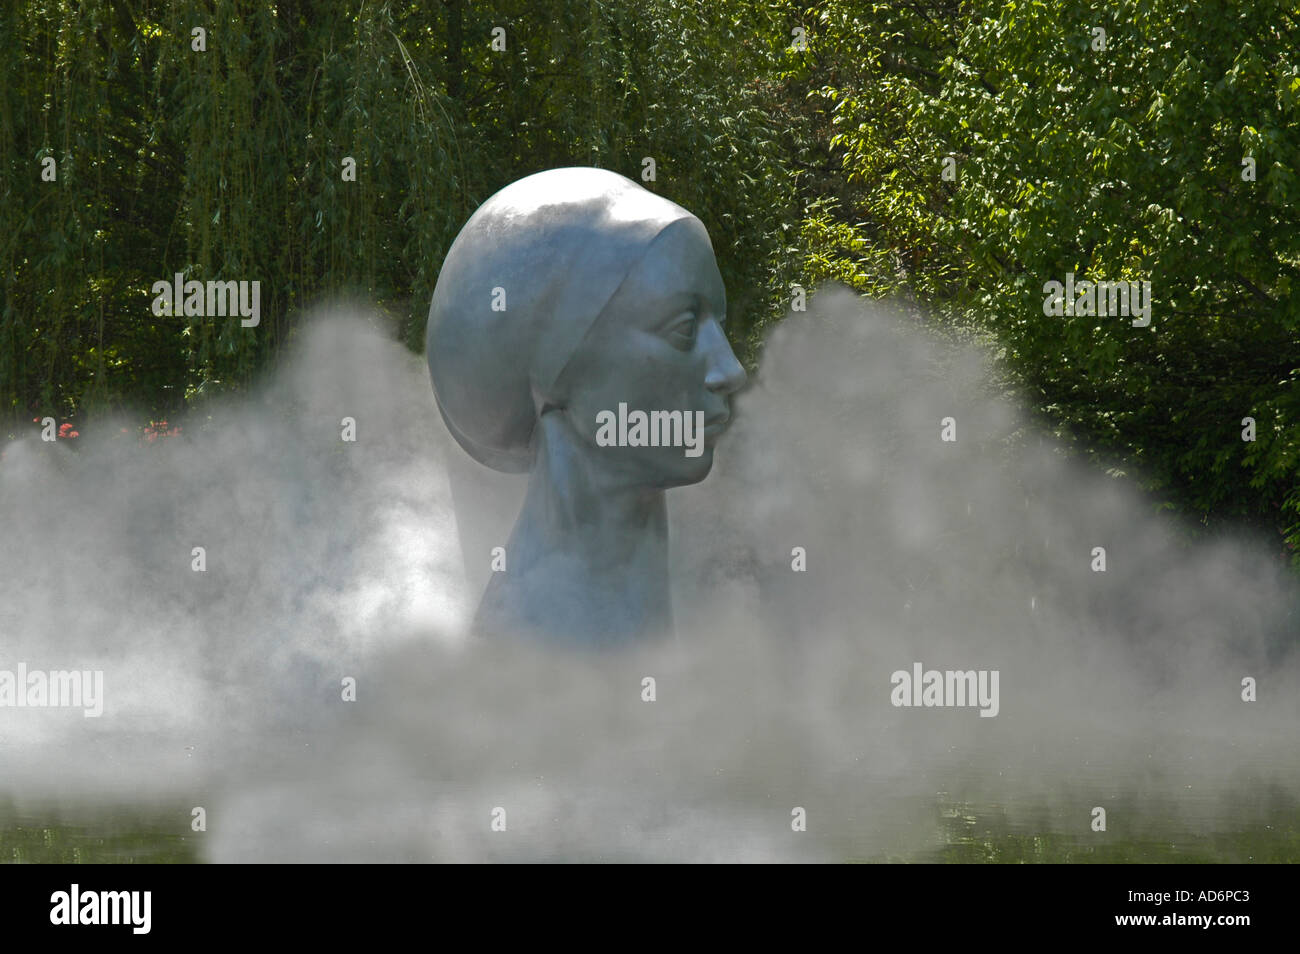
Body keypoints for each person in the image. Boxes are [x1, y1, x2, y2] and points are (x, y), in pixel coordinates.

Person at [427, 167, 746, 647]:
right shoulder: (536, 650)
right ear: (559, 371)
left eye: (717, 326)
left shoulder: (619, 614)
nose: (730, 370)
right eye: (682, 329)